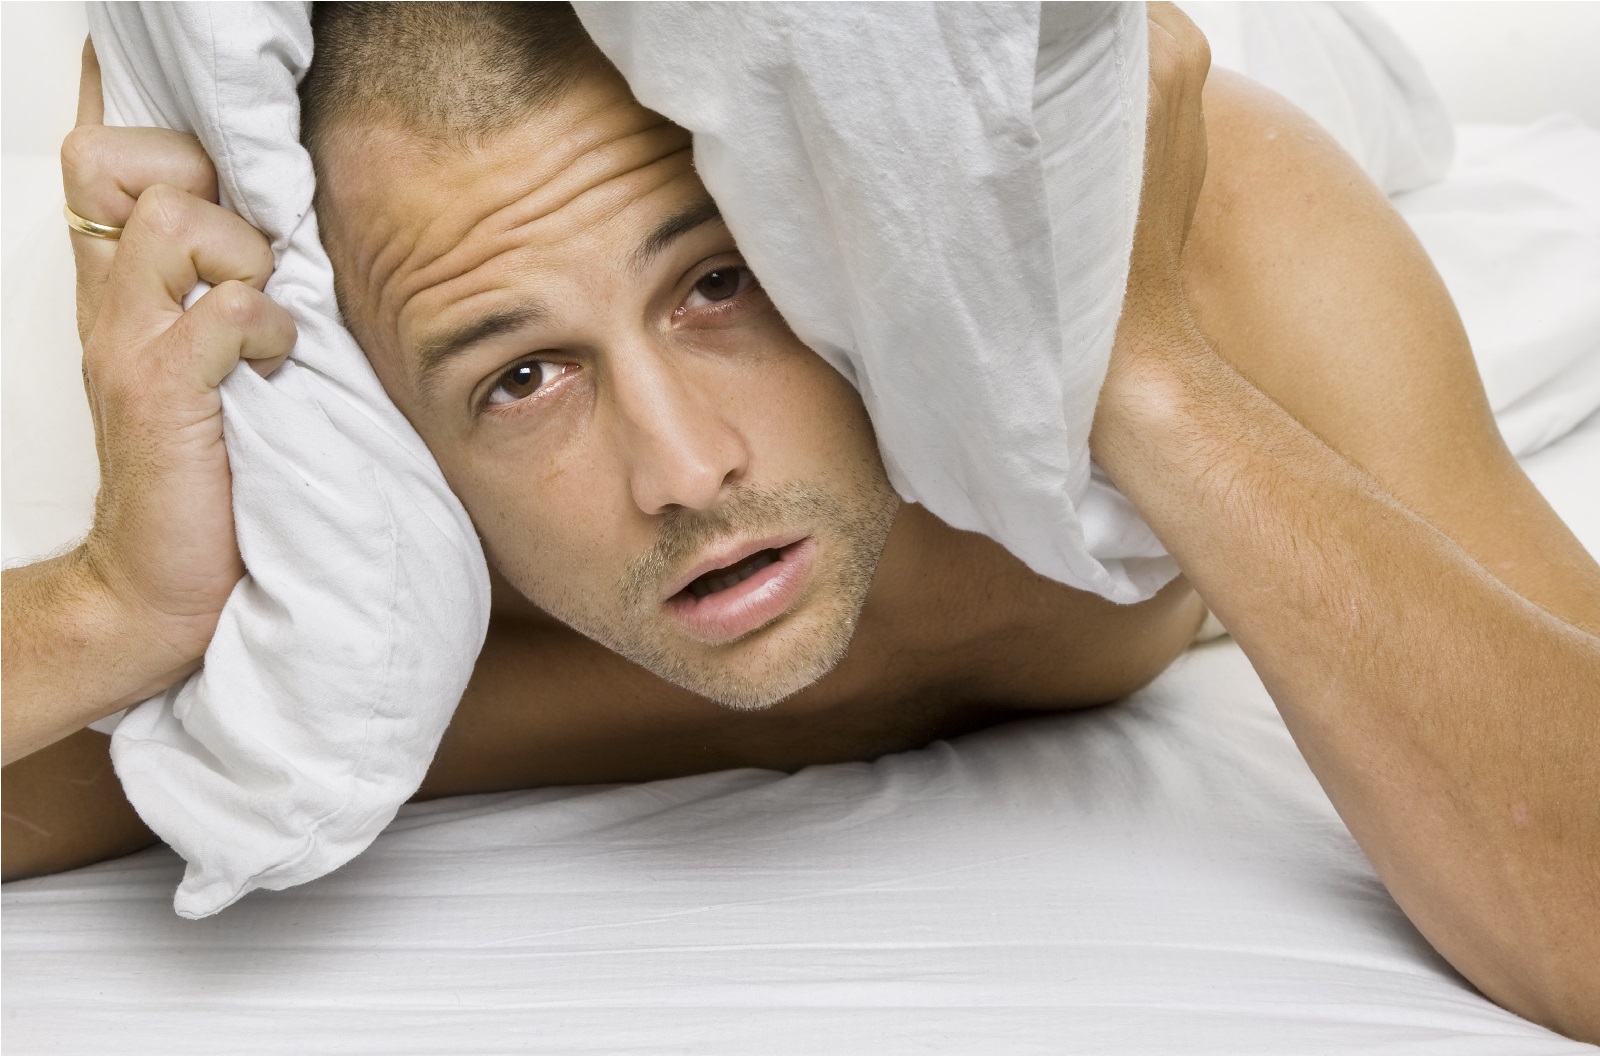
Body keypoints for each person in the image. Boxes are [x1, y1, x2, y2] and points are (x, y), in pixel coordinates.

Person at [3, 3, 1596, 1041]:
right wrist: (105, 608)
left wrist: (1147, 373)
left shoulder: (1213, 236)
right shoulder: (399, 603)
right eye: (523, 374)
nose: (685, 469)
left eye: (718, 284)